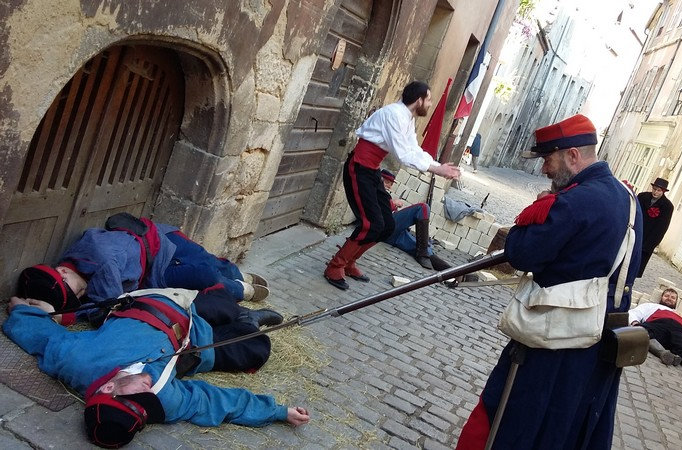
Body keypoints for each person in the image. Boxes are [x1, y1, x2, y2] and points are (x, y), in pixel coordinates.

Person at [457, 114, 644, 449]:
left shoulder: (573, 201)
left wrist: (537, 212)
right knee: (569, 428)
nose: (544, 168)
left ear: (573, 155)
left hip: (556, 335)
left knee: (518, 419)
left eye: (548, 159)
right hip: (601, 340)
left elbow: (521, 253)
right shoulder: (629, 200)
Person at [3, 287, 308, 448]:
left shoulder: (75, 361)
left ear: (109, 388)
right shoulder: (162, 402)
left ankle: (237, 310)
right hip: (193, 338)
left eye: (137, 394)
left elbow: (41, 337)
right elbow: (212, 402)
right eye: (145, 402)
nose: (147, 391)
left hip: (165, 299)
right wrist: (277, 412)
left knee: (221, 303)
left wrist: (20, 309)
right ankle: (249, 320)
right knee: (255, 348)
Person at [323, 81, 461, 290]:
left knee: (386, 226)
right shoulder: (393, 115)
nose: (430, 104)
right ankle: (335, 266)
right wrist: (436, 170)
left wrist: (438, 165)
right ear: (419, 100)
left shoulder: (406, 118)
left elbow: (413, 148)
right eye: (429, 99)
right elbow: (403, 155)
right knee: (371, 224)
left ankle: (350, 263)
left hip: (371, 171)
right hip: (359, 168)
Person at [16, 213, 270, 324]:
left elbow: (107, 306)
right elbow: (108, 305)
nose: (79, 297)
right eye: (75, 299)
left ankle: (237, 276)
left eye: (73, 292)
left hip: (161, 242)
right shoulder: (75, 271)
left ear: (61, 272)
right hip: (155, 274)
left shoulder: (101, 262)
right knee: (203, 277)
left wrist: (68, 316)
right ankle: (238, 289)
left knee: (208, 262)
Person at [379, 169, 451, 271]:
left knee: (423, 248)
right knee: (423, 208)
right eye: (387, 182)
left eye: (390, 184)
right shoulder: (375, 190)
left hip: (393, 234)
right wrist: (393, 204)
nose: (389, 186)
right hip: (383, 227)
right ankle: (423, 253)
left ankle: (455, 273)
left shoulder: (384, 194)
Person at [637, 177, 674, 277]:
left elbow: (661, 229)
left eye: (659, 190)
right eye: (654, 189)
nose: (655, 192)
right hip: (634, 233)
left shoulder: (667, 206)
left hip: (647, 240)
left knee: (635, 268)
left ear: (663, 192)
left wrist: (648, 246)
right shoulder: (642, 196)